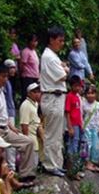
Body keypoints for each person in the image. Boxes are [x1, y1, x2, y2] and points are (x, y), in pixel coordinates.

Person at [0, 64, 36, 181]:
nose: (6, 79)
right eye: (3, 76)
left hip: (5, 128)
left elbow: (3, 112)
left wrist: (11, 126)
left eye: (7, 76)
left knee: (28, 142)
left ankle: (25, 174)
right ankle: (2, 181)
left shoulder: (1, 91)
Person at [39, 26, 69, 177]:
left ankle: (56, 163)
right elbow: (63, 75)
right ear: (51, 40)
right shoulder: (49, 56)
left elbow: (63, 70)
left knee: (57, 134)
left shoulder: (52, 56)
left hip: (57, 96)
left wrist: (64, 67)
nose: (61, 43)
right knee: (51, 133)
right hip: (52, 96)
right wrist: (65, 69)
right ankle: (49, 165)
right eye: (60, 40)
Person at [19, 82, 43, 168]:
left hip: (36, 136)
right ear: (29, 93)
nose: (37, 94)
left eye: (38, 92)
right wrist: (26, 141)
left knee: (35, 162)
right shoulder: (26, 105)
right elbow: (24, 125)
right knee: (30, 164)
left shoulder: (35, 104)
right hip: (30, 137)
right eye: (35, 92)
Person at [81, 85, 99, 172]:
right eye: (88, 93)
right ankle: (87, 163)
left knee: (96, 146)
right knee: (87, 145)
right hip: (86, 127)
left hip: (96, 127)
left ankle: (93, 163)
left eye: (92, 93)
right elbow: (82, 116)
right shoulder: (83, 104)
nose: (90, 95)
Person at [64, 75, 84, 159]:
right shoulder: (69, 96)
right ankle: (71, 163)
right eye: (75, 86)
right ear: (71, 86)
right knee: (73, 143)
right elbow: (67, 112)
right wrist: (70, 127)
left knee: (77, 142)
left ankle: (74, 163)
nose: (78, 88)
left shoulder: (77, 97)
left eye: (79, 86)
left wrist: (81, 124)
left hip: (78, 123)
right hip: (73, 124)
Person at [20, 34, 40, 101]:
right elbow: (22, 64)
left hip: (35, 77)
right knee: (27, 95)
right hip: (28, 77)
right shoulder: (26, 51)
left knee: (35, 95)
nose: (34, 43)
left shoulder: (34, 51)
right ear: (29, 42)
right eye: (33, 41)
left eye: (36, 41)